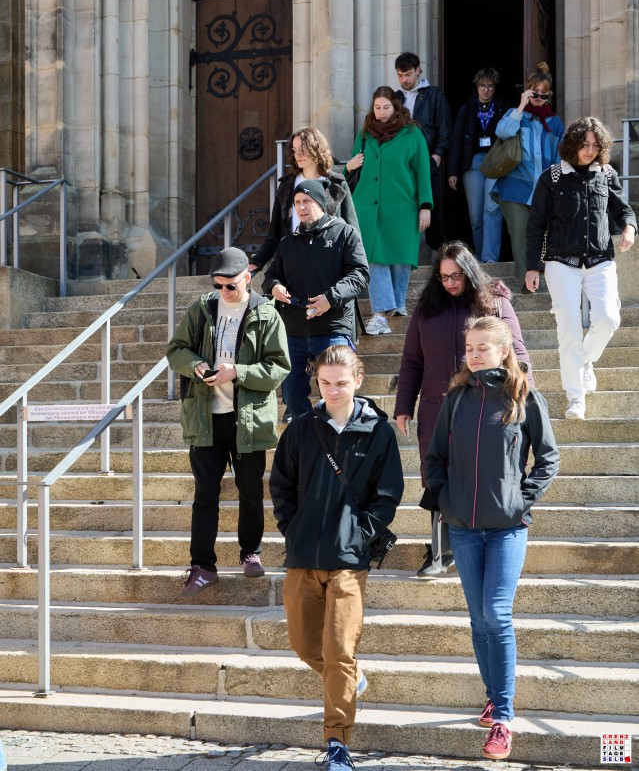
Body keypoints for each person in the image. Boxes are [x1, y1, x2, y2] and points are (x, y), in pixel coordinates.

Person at [426, 316, 559, 761]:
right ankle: (492, 696)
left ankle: (503, 717)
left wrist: (521, 500)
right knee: (478, 618)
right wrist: (445, 497)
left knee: (496, 613)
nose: (475, 354)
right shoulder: (456, 399)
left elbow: (549, 458)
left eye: (483, 347)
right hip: (463, 527)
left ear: (504, 350)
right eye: (470, 348)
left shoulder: (524, 397)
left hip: (507, 527)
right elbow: (435, 457)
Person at [270, 344, 404, 771]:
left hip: (349, 559)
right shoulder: (301, 428)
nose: (332, 390)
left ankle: (337, 742)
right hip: (304, 555)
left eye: (341, 383)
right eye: (325, 382)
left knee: (340, 651)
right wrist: (293, 528)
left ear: (358, 381)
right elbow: (281, 485)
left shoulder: (378, 431)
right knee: (304, 645)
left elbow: (388, 495)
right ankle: (351, 680)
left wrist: (361, 534)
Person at [394, 242, 534, 576]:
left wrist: (521, 394)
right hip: (436, 407)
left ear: (470, 272)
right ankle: (440, 551)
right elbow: (412, 360)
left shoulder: (495, 303)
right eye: (443, 277)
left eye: (456, 276)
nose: (450, 283)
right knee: (437, 476)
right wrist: (404, 405)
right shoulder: (427, 309)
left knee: (481, 473)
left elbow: (518, 352)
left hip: (487, 407)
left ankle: (488, 542)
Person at [166, 247, 290, 594]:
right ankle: (202, 566)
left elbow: (279, 367)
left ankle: (250, 553)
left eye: (230, 285)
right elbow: (176, 350)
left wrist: (238, 372)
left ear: (247, 278)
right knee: (205, 494)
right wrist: (195, 365)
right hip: (206, 418)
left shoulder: (267, 313)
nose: (224, 291)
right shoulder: (202, 308)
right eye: (218, 285)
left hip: (248, 419)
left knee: (250, 491)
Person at [525, 116, 637, 420]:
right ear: (572, 144)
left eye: (595, 146)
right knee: (570, 330)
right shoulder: (552, 178)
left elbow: (623, 210)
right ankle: (575, 398)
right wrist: (532, 267)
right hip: (561, 262)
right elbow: (535, 226)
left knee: (609, 319)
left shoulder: (607, 174)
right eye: (584, 144)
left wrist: (629, 227)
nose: (590, 151)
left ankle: (585, 360)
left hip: (600, 260)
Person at [263, 180, 369, 419]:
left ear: (320, 203)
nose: (301, 207)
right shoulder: (287, 242)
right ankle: (307, 435)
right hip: (294, 331)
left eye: (307, 201)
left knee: (335, 397)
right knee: (291, 397)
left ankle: (333, 435)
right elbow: (270, 276)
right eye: (297, 202)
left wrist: (330, 298)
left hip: (333, 328)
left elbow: (361, 274)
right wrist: (274, 286)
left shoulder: (344, 233)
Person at [345, 86, 432, 335]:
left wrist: (425, 206)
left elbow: (423, 173)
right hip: (367, 207)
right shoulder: (365, 134)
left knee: (400, 258)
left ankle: (398, 303)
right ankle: (380, 314)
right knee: (375, 258)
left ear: (396, 107)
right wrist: (348, 167)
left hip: (403, 207)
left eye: (386, 107)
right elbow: (351, 172)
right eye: (377, 107)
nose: (381, 112)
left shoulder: (412, 134)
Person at [490, 61, 564, 290]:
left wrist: (557, 185)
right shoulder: (516, 115)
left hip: (544, 187)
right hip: (515, 187)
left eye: (543, 93)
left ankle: (544, 276)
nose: (538, 97)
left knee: (543, 233)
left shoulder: (555, 122)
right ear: (527, 92)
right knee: (520, 234)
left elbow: (560, 156)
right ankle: (525, 280)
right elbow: (502, 132)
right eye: (534, 93)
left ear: (549, 95)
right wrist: (521, 106)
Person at [249, 126, 358, 275]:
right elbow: (274, 234)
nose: (298, 155)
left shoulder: (337, 184)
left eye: (303, 149)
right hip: (293, 266)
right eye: (294, 150)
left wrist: (355, 269)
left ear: (316, 149)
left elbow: (353, 231)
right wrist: (258, 261)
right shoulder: (287, 186)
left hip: (330, 266)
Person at [448, 67, 508, 263]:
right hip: (472, 164)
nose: (486, 89)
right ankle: (481, 259)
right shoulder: (467, 109)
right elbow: (456, 140)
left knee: (492, 210)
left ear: (495, 88)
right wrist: (452, 171)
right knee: (476, 215)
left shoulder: (502, 107)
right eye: (482, 85)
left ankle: (490, 259)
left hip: (495, 163)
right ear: (476, 86)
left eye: (490, 86)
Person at [395, 51, 452, 250]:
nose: (404, 80)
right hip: (402, 161)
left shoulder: (434, 94)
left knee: (431, 204)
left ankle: (438, 251)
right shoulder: (395, 98)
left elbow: (444, 127)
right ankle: (406, 250)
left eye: (408, 74)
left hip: (427, 157)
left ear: (418, 70)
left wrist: (437, 154)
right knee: (404, 203)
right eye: (400, 75)